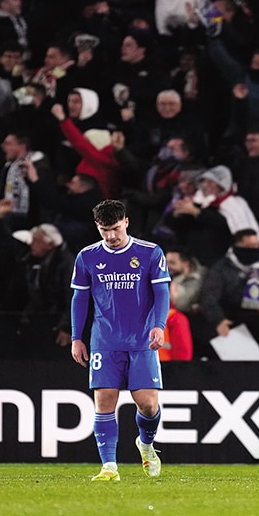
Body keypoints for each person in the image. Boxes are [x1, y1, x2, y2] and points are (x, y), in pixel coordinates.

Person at [69, 199, 170, 481]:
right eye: (104, 230)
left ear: (126, 222)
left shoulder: (150, 252)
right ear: (97, 227)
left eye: (115, 228)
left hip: (141, 340)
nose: (111, 236)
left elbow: (162, 293)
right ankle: (109, 467)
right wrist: (78, 337)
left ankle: (146, 445)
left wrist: (159, 326)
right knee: (104, 401)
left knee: (148, 406)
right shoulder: (87, 256)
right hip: (105, 340)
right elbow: (80, 298)